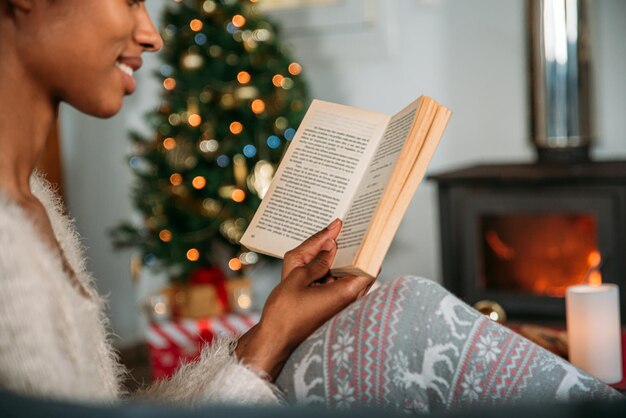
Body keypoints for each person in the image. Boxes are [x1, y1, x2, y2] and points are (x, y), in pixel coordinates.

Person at [0, 0, 620, 412]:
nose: (150, 32)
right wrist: (269, 345)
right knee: (408, 322)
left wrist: (271, 328)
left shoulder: (37, 208)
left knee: (401, 305)